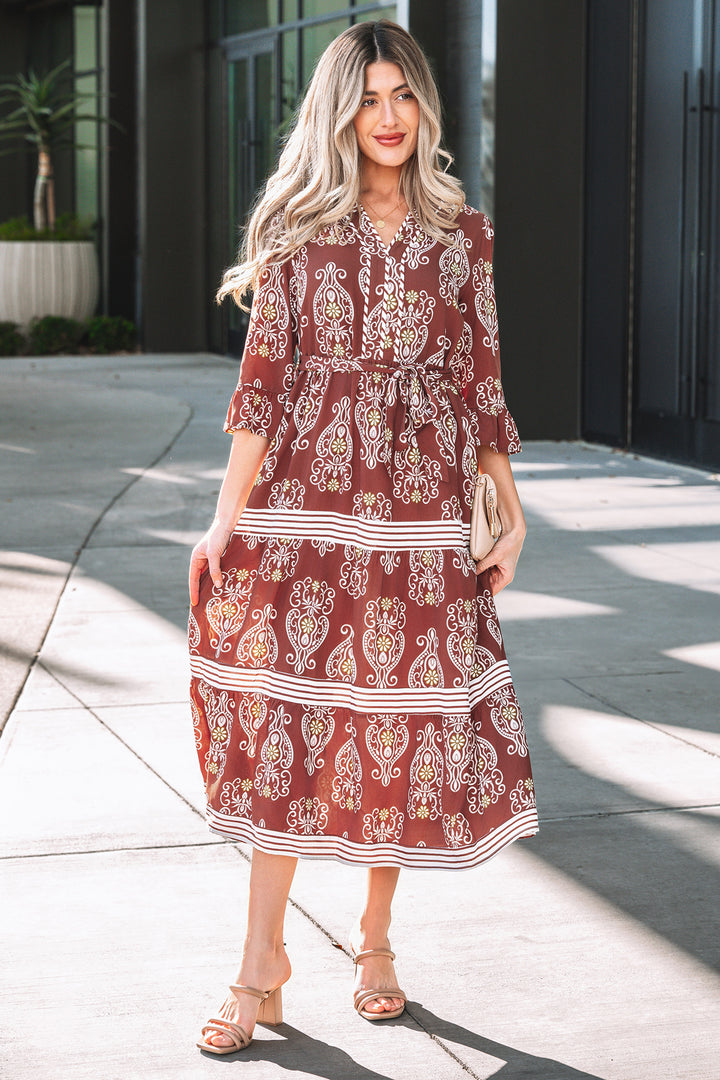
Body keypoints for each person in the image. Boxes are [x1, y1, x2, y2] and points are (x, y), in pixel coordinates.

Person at [188, 19, 538, 1056]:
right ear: (339, 114)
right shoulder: (299, 225)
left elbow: (480, 382)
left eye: (403, 96)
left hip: (421, 512)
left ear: (424, 104)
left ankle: (375, 943)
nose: (388, 118)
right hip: (305, 505)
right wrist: (223, 520)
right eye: (369, 99)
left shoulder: (461, 234)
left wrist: (506, 507)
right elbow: (263, 385)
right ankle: (260, 965)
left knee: (397, 720)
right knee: (286, 726)